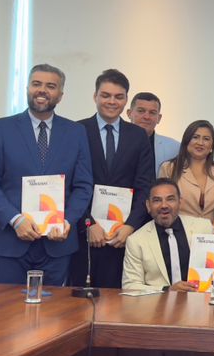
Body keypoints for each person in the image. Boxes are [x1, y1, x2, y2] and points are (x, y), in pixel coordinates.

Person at [0, 64, 92, 286]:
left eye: (51, 86)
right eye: (36, 84)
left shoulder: (76, 132)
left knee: (53, 308)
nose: (42, 90)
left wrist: (67, 220)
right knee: (7, 308)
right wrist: (15, 220)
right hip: (10, 243)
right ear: (27, 88)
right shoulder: (1, 128)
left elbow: (83, 185)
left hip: (58, 245)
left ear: (60, 95)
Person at [74, 68, 155, 290]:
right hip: (84, 237)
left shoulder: (138, 135)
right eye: (106, 95)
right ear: (95, 96)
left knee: (118, 299)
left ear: (126, 100)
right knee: (80, 299)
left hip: (123, 237)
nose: (112, 101)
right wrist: (88, 223)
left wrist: (130, 226)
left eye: (118, 97)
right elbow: (70, 185)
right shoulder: (76, 130)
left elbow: (145, 186)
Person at [121, 178, 203, 293]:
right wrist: (167, 290)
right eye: (157, 200)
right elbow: (130, 286)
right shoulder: (136, 241)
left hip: (198, 300)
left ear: (180, 202)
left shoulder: (203, 228)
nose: (164, 205)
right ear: (148, 205)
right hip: (157, 303)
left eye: (170, 199)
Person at [159, 119, 214, 225]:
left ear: (212, 146)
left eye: (206, 139)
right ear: (186, 141)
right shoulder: (169, 168)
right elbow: (161, 204)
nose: (200, 143)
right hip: (179, 231)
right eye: (195, 137)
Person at [129, 91, 180, 172]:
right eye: (141, 111)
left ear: (159, 118)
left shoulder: (175, 148)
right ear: (129, 113)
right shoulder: (113, 143)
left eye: (152, 113)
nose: (146, 117)